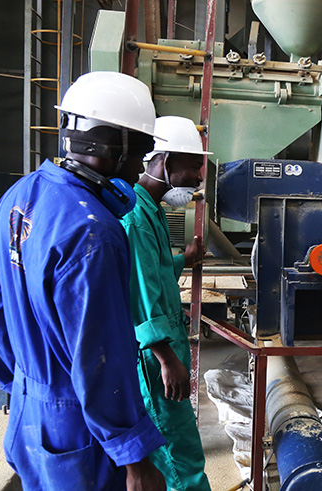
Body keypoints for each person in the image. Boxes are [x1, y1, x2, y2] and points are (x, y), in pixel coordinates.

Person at [0, 71, 167, 490]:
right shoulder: (93, 231)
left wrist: (22, 384)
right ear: (110, 145)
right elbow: (100, 356)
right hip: (79, 426)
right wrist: (134, 456)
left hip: (30, 409)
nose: (139, 169)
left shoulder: (19, 197)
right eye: (140, 153)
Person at [120, 115, 211, 491]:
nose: (198, 178)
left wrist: (183, 260)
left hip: (166, 343)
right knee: (180, 454)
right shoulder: (137, 217)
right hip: (154, 354)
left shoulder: (152, 209)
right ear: (167, 162)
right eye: (193, 167)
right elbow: (141, 294)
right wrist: (167, 359)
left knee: (172, 451)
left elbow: (153, 269)